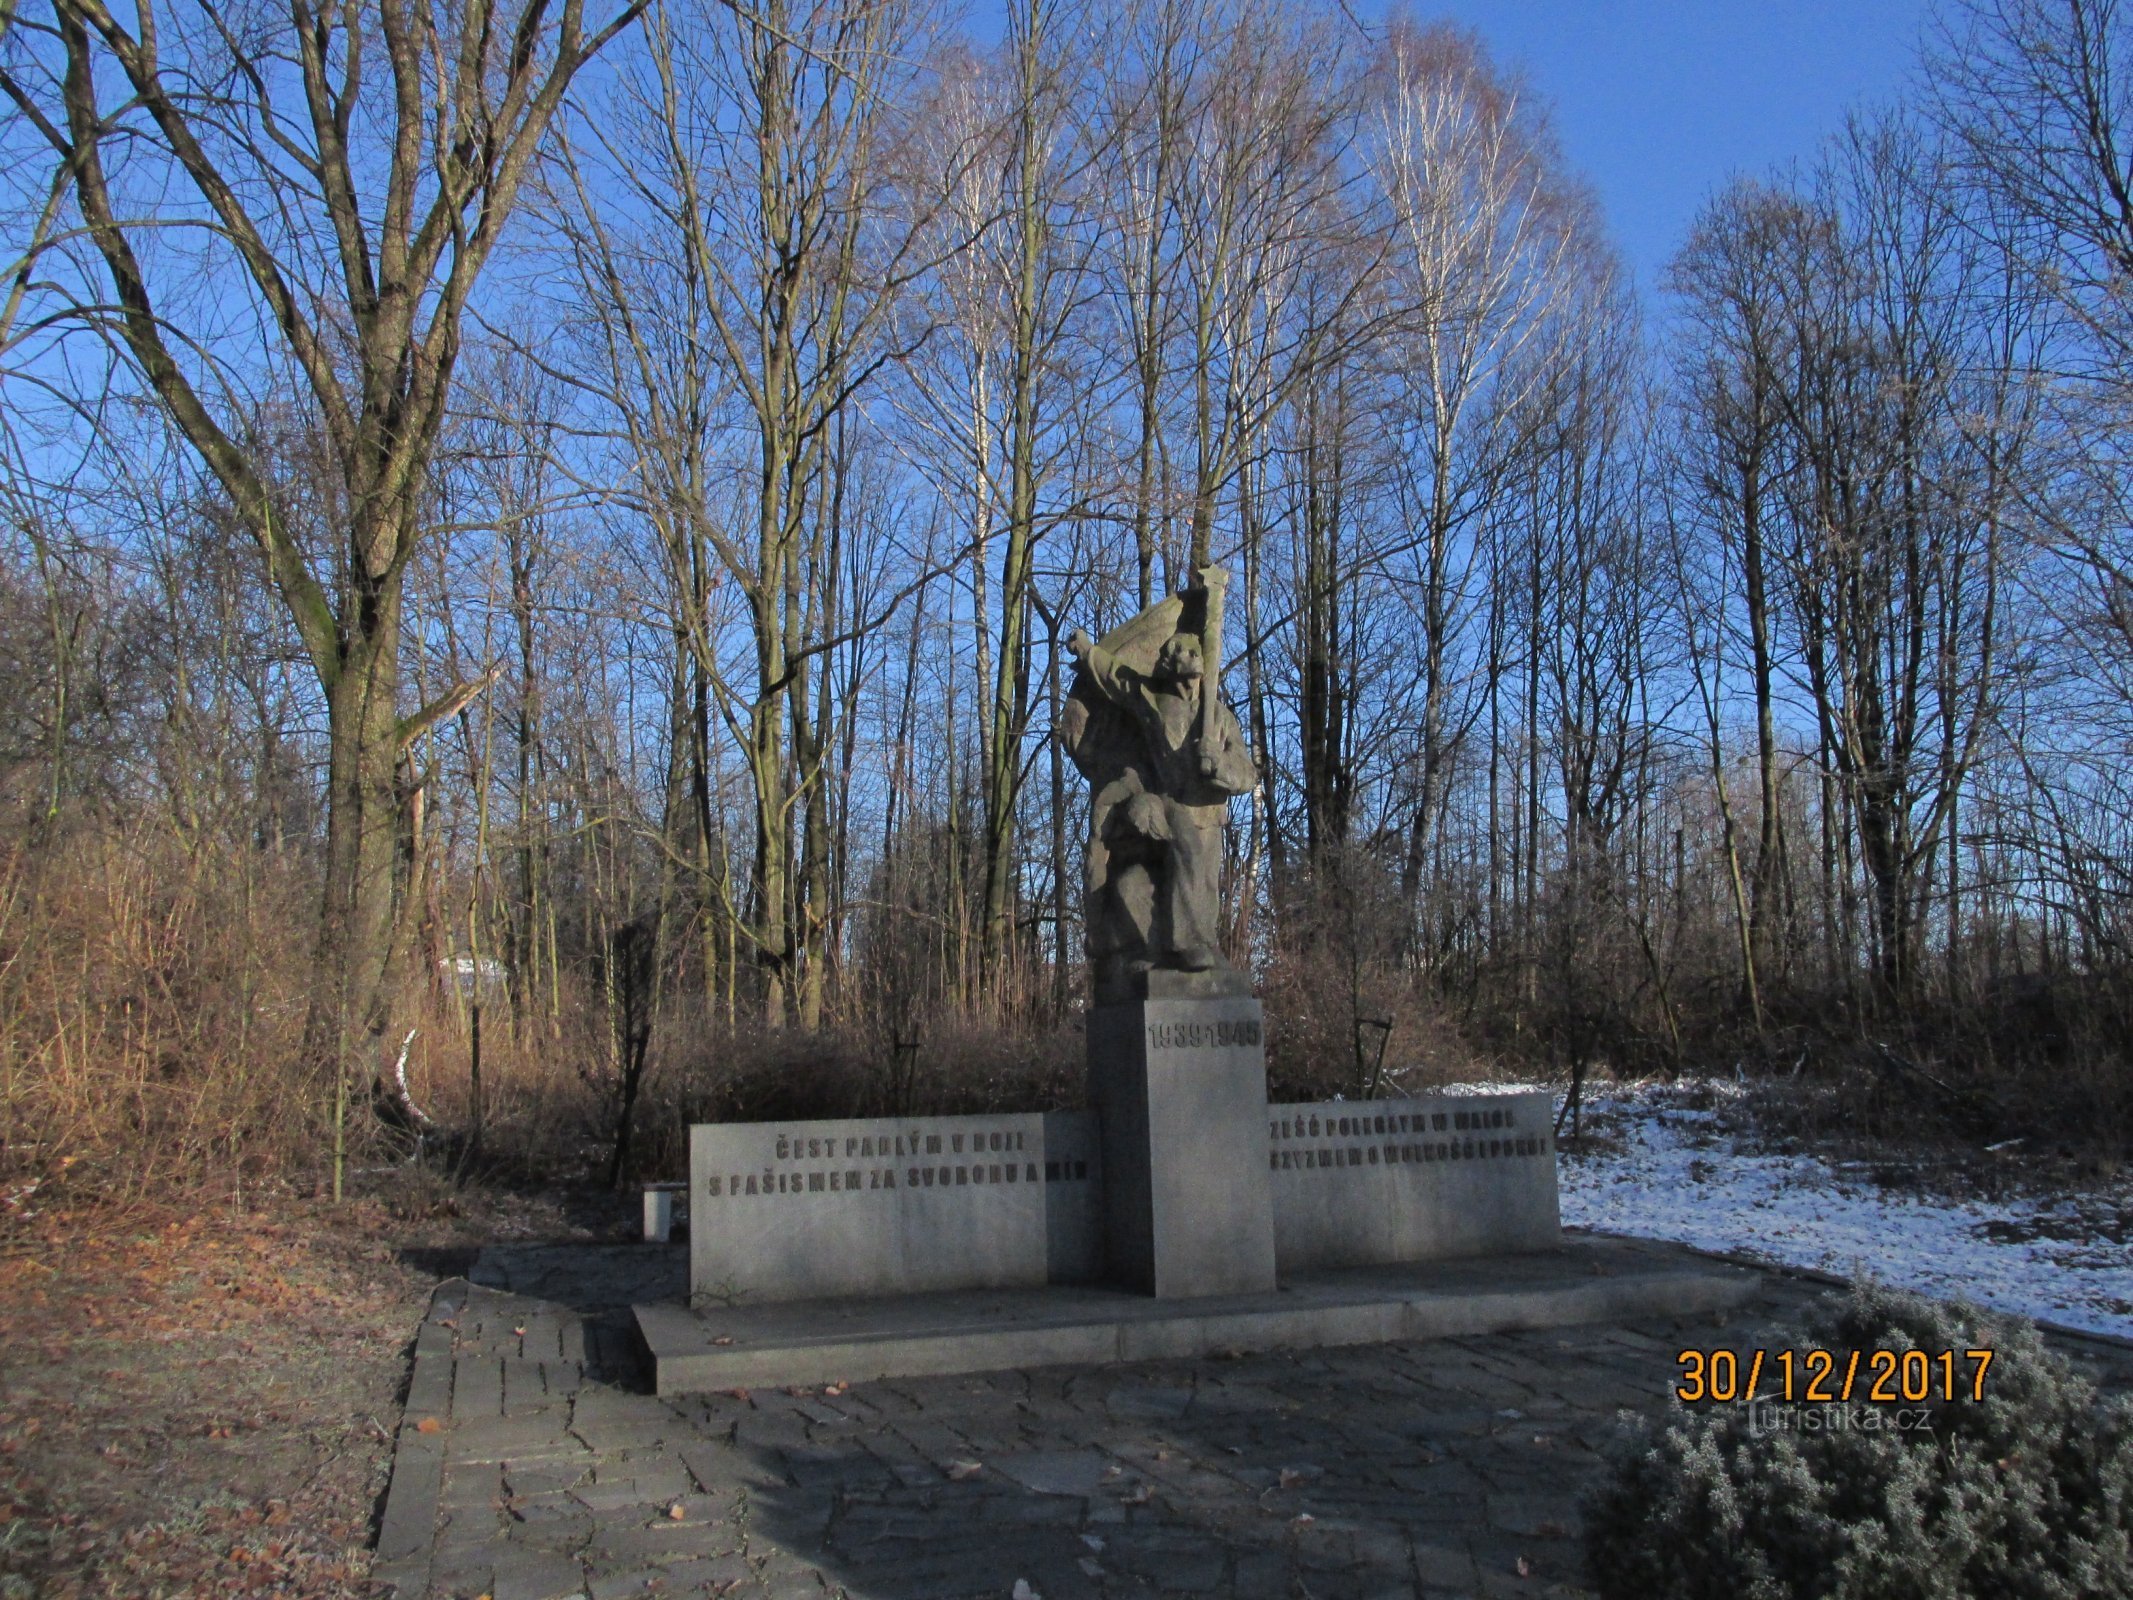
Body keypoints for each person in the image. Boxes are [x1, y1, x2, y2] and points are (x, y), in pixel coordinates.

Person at [1065, 626, 1256, 972]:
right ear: (1168, 663)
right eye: (1183, 650)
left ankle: (1193, 948)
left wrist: (1220, 764)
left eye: (1197, 650)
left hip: (1208, 816)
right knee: (1174, 865)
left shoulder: (1220, 718)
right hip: (1168, 807)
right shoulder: (1153, 701)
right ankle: (1183, 946)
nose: (1193, 656)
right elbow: (1116, 678)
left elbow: (1247, 773)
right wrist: (1089, 651)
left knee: (1202, 891)